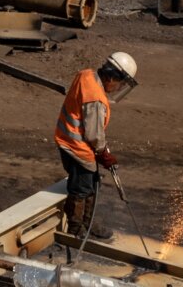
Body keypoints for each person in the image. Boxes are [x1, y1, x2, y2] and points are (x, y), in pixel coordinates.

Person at [55, 52, 139, 244]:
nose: (118, 87)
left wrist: (101, 151)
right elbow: (93, 134)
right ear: (111, 77)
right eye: (120, 83)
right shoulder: (96, 99)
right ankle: (76, 230)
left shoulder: (87, 75)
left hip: (70, 140)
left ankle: (88, 223)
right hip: (76, 146)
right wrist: (103, 153)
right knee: (81, 188)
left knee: (92, 183)